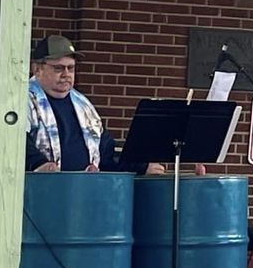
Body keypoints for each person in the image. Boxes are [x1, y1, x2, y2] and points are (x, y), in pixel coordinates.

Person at [26, 35, 167, 175]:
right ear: (37, 69)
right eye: (58, 68)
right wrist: (38, 163)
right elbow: (14, 141)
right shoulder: (23, 100)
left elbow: (106, 155)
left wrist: (141, 167)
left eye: (71, 68)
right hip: (39, 190)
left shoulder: (83, 105)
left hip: (85, 190)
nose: (66, 74)